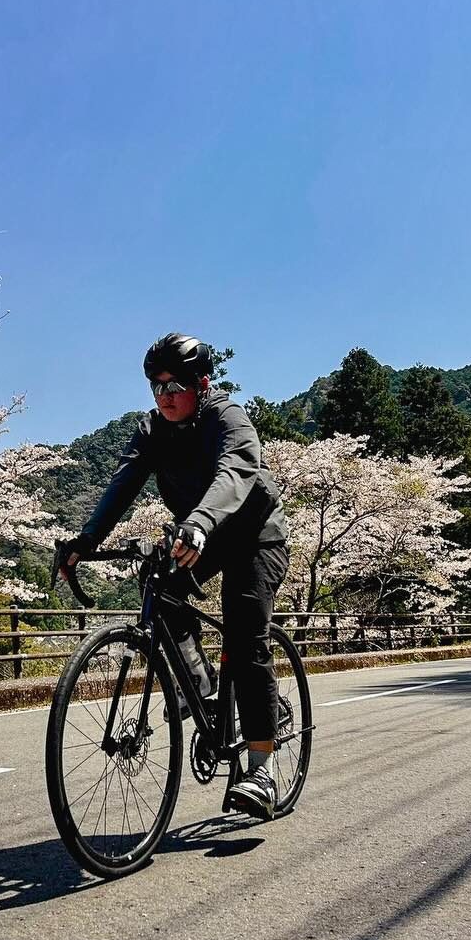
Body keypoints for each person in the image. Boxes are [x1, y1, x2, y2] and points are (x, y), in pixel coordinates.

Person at [59, 333, 290, 820]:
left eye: (175, 385)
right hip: (197, 534)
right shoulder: (151, 431)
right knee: (157, 585)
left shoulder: (229, 418)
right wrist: (87, 539)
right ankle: (200, 689)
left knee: (247, 636)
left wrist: (201, 524)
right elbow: (123, 483)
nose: (164, 396)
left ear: (202, 384)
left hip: (253, 536)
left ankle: (261, 769)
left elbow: (235, 473)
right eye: (156, 386)